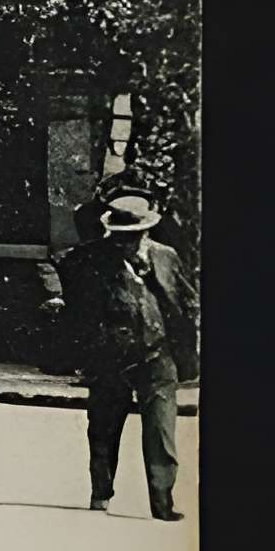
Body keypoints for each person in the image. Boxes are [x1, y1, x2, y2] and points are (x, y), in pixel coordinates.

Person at [60, 187, 196, 522]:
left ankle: (162, 501)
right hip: (110, 356)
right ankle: (100, 493)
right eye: (119, 236)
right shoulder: (91, 257)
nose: (124, 243)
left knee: (161, 431)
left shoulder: (166, 257)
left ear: (146, 232)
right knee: (104, 427)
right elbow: (71, 292)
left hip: (157, 354)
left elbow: (186, 303)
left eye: (131, 236)